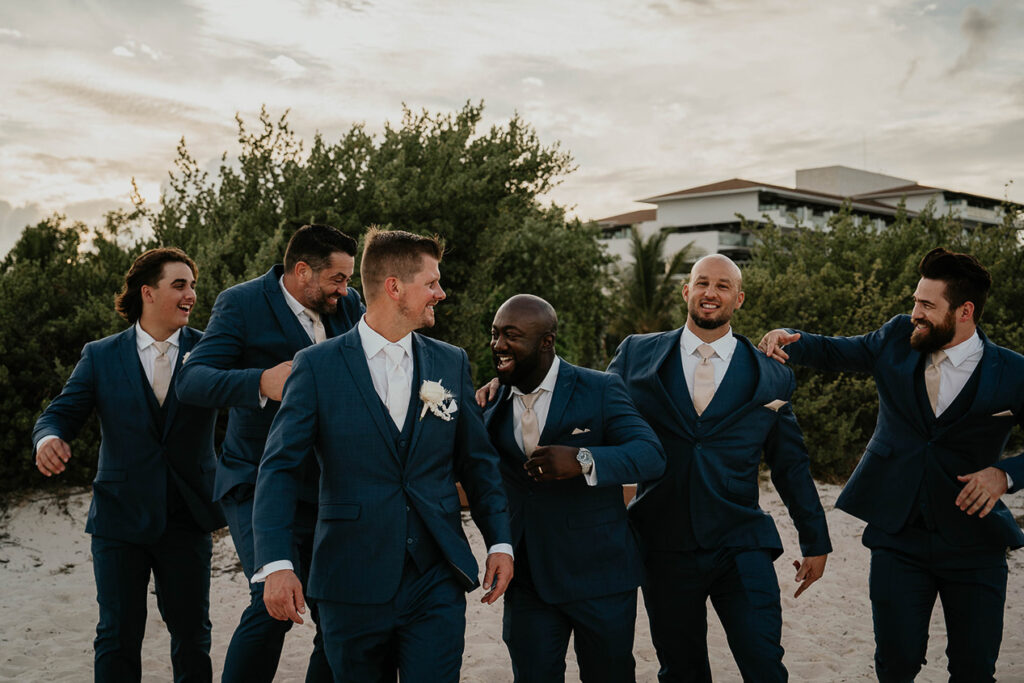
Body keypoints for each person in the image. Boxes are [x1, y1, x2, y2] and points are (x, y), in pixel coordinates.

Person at [251, 227, 514, 681]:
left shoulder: (450, 361)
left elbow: (478, 463)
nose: (441, 293)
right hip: (349, 581)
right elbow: (278, 469)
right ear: (394, 287)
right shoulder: (317, 366)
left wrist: (500, 541)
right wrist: (276, 563)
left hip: (435, 578)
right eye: (431, 283)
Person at [758, 247, 1024, 682]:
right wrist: (787, 334)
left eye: (926, 305)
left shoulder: (1013, 372)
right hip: (897, 537)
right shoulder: (897, 337)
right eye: (915, 301)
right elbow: (834, 352)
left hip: (975, 543)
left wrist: (1005, 474)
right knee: (895, 664)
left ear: (965, 312)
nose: (914, 312)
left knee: (975, 670)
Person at [607, 254, 832, 682]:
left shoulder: (772, 374)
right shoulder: (637, 354)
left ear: (739, 299)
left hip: (740, 541)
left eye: (723, 286)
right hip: (663, 542)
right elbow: (598, 414)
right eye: (703, 283)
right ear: (686, 291)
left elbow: (790, 463)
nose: (711, 292)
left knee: (764, 664)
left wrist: (815, 539)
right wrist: (508, 384)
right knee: (682, 670)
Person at [175, 224, 363, 682]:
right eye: (337, 279)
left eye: (348, 279)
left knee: (340, 615)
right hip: (257, 481)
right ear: (302, 272)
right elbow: (191, 381)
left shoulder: (349, 305)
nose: (346, 289)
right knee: (271, 603)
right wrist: (260, 381)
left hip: (328, 488)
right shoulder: (241, 303)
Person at [32, 247, 225, 682]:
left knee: (193, 635)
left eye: (193, 285)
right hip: (119, 519)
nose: (191, 294)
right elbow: (59, 414)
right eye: (180, 285)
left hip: (187, 515)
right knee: (117, 635)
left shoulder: (210, 351)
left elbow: (247, 412)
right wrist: (49, 439)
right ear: (148, 292)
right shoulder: (101, 355)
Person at [482, 294, 665, 682]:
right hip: (528, 577)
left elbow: (651, 454)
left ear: (546, 341)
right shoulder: (491, 400)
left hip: (600, 576)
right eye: (495, 334)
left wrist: (583, 460)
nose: (498, 344)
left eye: (511, 335)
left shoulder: (600, 388)